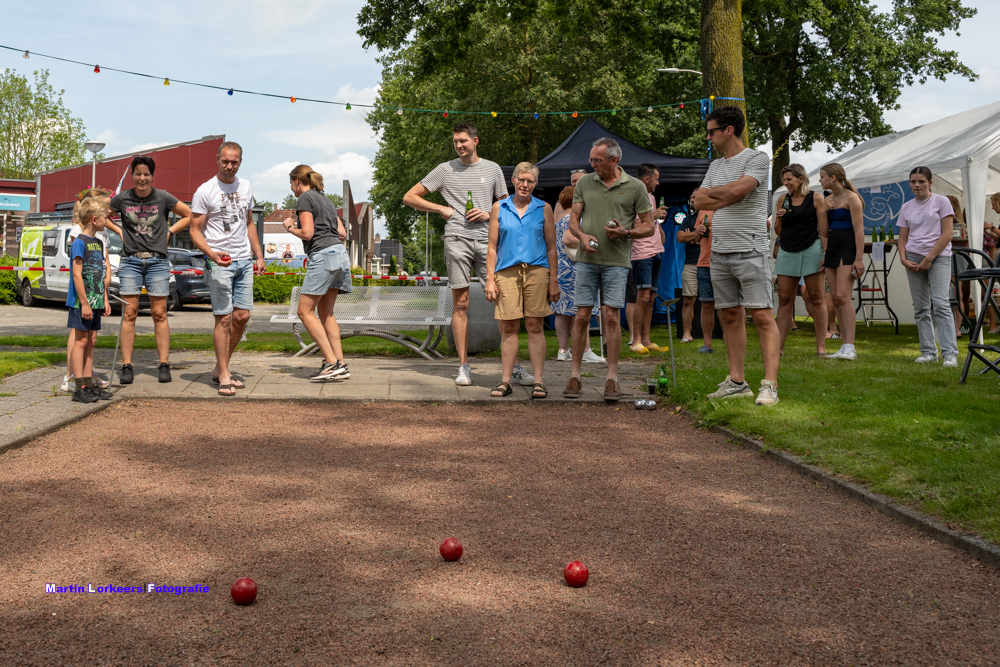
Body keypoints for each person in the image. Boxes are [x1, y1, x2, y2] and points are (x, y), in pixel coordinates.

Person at [403, 123, 532, 387]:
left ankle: (514, 366)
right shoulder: (444, 169)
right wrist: (441, 209)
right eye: (455, 142)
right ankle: (463, 366)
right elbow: (410, 197)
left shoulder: (492, 168)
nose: (459, 146)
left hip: (489, 242)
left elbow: (508, 206)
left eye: (463, 141)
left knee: (503, 301)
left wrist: (488, 214)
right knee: (460, 304)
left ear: (475, 140)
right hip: (457, 239)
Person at [693, 106, 780, 406]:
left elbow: (739, 192)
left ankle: (769, 385)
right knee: (730, 316)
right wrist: (725, 193)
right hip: (720, 252)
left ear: (729, 130)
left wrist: (719, 194)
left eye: (712, 131)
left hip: (751, 249)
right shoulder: (715, 166)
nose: (709, 137)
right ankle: (737, 381)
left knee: (762, 316)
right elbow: (697, 200)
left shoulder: (757, 158)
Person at [564, 137, 656, 401]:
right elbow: (573, 219)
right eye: (591, 159)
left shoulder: (636, 187)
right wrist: (581, 237)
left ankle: (612, 378)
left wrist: (627, 232)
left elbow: (649, 226)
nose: (592, 164)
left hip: (616, 262)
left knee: (612, 317)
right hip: (587, 260)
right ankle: (575, 375)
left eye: (597, 160)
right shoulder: (584, 182)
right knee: (581, 315)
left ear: (614, 160)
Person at [189, 141, 266, 396]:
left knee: (242, 317)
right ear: (217, 159)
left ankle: (219, 367)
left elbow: (249, 224)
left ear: (240, 162)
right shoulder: (205, 190)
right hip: (219, 262)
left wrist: (259, 256)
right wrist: (212, 254)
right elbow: (195, 231)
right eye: (225, 161)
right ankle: (223, 374)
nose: (229, 166)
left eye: (234, 162)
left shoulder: (246, 186)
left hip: (244, 260)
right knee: (223, 317)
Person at [108, 156, 192, 385]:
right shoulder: (123, 198)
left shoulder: (163, 197)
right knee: (129, 313)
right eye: (138, 174)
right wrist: (118, 230)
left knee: (159, 314)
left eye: (146, 174)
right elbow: (102, 214)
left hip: (157, 262)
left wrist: (170, 232)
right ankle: (127, 366)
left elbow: (188, 215)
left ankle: (164, 364)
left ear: (152, 176)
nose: (142, 178)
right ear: (133, 175)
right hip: (131, 261)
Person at [484, 162, 558, 398]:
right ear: (513, 181)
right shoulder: (499, 207)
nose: (525, 185)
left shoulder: (544, 208)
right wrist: (489, 279)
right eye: (521, 180)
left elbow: (552, 248)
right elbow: (492, 247)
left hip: (537, 271)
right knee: (508, 326)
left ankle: (538, 381)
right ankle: (506, 381)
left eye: (530, 181)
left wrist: (554, 280)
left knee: (535, 325)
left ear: (535, 184)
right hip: (506, 272)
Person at [280, 165, 352, 381]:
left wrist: (290, 228)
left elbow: (308, 233)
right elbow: (342, 233)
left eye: (291, 183)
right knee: (326, 314)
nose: (292, 188)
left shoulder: (305, 198)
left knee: (304, 312)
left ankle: (330, 362)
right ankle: (340, 363)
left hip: (322, 256)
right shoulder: (326, 199)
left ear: (296, 181)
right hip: (340, 255)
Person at [897, 166, 959, 367]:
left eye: (921, 181)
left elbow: (948, 234)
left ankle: (949, 353)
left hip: (938, 255)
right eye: (913, 181)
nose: (917, 185)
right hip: (913, 256)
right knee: (921, 307)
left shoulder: (942, 201)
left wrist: (929, 258)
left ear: (930, 183)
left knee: (941, 303)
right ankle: (928, 352)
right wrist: (903, 258)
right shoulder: (906, 207)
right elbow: (903, 238)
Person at [62, 189, 114, 394]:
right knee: (81, 341)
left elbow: (99, 274)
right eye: (105, 217)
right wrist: (84, 302)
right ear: (94, 219)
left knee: (91, 341)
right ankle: (79, 385)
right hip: (81, 303)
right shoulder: (79, 243)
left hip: (97, 301)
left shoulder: (99, 243)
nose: (107, 220)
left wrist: (105, 299)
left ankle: (90, 384)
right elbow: (77, 276)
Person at [773, 164, 829, 356]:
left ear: (800, 179)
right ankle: (778, 347)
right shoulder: (782, 199)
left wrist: (825, 254)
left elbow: (823, 230)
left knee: (816, 298)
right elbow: (778, 231)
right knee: (784, 299)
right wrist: (779, 218)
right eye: (784, 180)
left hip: (812, 248)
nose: (786, 183)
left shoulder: (816, 198)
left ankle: (821, 347)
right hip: (787, 250)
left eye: (789, 179)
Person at [552, 185, 604, 363]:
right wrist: (589, 241)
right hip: (575, 271)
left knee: (563, 312)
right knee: (583, 311)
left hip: (561, 272)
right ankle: (585, 349)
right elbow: (568, 239)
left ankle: (563, 350)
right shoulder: (572, 220)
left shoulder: (558, 220)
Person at [819, 163, 865, 361]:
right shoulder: (827, 199)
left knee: (843, 296)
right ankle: (843, 346)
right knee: (835, 298)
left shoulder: (852, 197)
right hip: (832, 249)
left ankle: (850, 347)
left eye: (822, 177)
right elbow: (822, 231)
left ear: (833, 178)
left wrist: (859, 258)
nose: (820, 180)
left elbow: (859, 230)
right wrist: (823, 211)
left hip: (848, 248)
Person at [626, 163, 668, 352]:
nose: (658, 183)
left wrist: (660, 230)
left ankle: (647, 340)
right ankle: (635, 341)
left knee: (651, 297)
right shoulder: (633, 195)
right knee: (641, 297)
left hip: (657, 251)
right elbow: (632, 221)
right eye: (656, 179)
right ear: (646, 179)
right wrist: (654, 214)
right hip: (641, 253)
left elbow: (652, 223)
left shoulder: (651, 197)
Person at [676, 190, 703, 344]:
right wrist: (697, 237)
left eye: (694, 197)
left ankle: (726, 335)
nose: (692, 200)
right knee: (688, 300)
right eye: (691, 197)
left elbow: (711, 238)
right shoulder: (688, 219)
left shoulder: (712, 216)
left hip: (710, 264)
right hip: (691, 264)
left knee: (717, 301)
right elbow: (680, 237)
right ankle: (687, 334)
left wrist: (691, 237)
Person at [694, 209, 716, 353]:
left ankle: (731, 339)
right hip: (704, 262)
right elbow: (696, 239)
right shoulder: (703, 210)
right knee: (706, 303)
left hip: (726, 261)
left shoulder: (729, 203)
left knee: (731, 305)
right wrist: (699, 232)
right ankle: (707, 344)